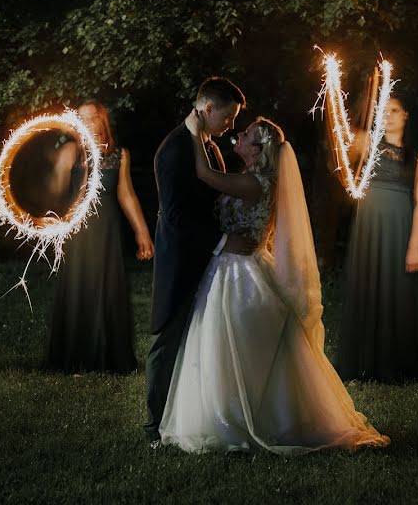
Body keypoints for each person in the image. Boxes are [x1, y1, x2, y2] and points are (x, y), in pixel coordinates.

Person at [159, 116, 389, 454]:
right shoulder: (250, 178)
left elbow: (206, 175)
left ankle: (253, 416)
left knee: (236, 342)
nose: (239, 134)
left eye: (248, 134)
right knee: (218, 342)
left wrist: (194, 133)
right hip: (227, 266)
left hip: (241, 274)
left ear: (258, 149)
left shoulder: (257, 183)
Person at [144, 77, 252, 443]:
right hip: (182, 261)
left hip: (208, 259)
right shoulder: (174, 150)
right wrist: (223, 241)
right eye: (228, 116)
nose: (231, 125)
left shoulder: (207, 145)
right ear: (208, 109)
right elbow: (175, 217)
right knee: (168, 339)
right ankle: (154, 427)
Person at [46, 99, 153, 373]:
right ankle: (74, 357)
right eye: (81, 117)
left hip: (106, 229)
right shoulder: (73, 151)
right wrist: (62, 169)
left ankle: (107, 356)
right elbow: (57, 193)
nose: (87, 122)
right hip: (78, 231)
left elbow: (126, 194)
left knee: (106, 285)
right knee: (79, 285)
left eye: (92, 117)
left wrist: (142, 232)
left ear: (102, 120)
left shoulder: (119, 155)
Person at [337, 97, 418, 382]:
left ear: (406, 115)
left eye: (394, 111)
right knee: (367, 283)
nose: (387, 116)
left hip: (399, 222)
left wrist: (417, 244)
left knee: (395, 288)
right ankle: (361, 364)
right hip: (368, 223)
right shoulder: (366, 143)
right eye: (382, 112)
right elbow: (339, 153)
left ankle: (397, 364)